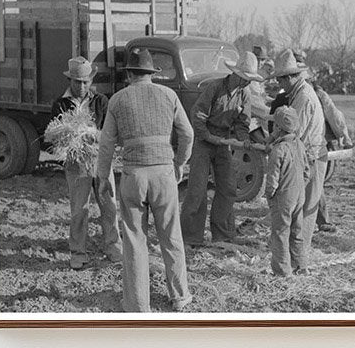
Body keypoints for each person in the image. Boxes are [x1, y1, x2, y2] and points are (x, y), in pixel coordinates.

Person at [95, 48, 195, 312]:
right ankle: (180, 295)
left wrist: (102, 177)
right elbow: (187, 134)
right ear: (152, 74)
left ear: (128, 74)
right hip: (164, 173)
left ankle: (138, 304)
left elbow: (106, 146)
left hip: (133, 175)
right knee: (171, 236)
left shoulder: (117, 100)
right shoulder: (169, 95)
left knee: (135, 241)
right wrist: (180, 163)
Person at [181, 51, 264, 246]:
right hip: (204, 141)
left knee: (227, 188)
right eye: (245, 79)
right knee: (197, 190)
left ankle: (223, 234)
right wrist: (208, 136)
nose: (247, 83)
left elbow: (243, 123)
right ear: (235, 74)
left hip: (224, 141)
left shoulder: (244, 94)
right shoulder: (215, 88)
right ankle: (190, 237)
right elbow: (198, 114)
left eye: (249, 80)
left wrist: (244, 140)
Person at [49, 56, 121, 270]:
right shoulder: (60, 104)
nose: (81, 86)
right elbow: (55, 136)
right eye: (77, 82)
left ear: (91, 81)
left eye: (85, 82)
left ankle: (113, 246)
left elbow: (110, 132)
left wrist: (93, 134)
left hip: (100, 161)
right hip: (76, 164)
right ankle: (78, 251)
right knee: (79, 209)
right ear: (70, 81)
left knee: (109, 205)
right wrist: (70, 137)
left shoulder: (101, 101)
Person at [270, 50, 327, 271]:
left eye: (281, 78)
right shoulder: (297, 92)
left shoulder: (303, 96)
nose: (279, 83)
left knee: (306, 210)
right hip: (304, 155)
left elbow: (294, 130)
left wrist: (275, 145)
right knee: (299, 209)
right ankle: (297, 259)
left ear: (292, 77)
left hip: (311, 156)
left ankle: (299, 260)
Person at [290, 49, 351, 234]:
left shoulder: (316, 93)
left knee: (315, 187)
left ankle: (321, 221)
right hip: (301, 145)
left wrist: (345, 137)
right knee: (310, 188)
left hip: (317, 143)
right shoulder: (292, 92)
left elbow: (335, 116)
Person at [264, 105, 309, 276]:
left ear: (278, 128)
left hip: (284, 197)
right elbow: (307, 173)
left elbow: (272, 180)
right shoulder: (300, 145)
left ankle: (282, 271)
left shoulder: (279, 150)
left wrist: (270, 195)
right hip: (300, 195)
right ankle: (300, 266)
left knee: (280, 233)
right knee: (296, 231)